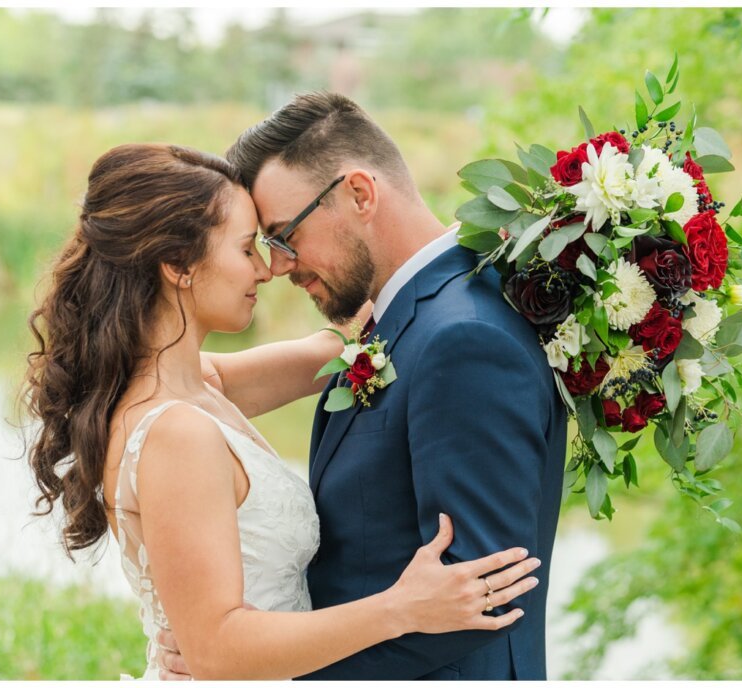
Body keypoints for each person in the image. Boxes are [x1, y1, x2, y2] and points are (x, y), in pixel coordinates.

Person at [23, 143, 542, 680]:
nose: (268, 270)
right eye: (248, 249)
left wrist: (525, 254)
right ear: (178, 265)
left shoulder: (200, 383)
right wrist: (400, 608)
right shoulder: (177, 432)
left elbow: (343, 341)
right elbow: (215, 647)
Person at [159, 92, 567, 680]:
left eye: (282, 235)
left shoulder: (465, 340)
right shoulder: (409, 317)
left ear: (359, 193)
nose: (276, 267)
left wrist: (262, 670)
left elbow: (480, 597)